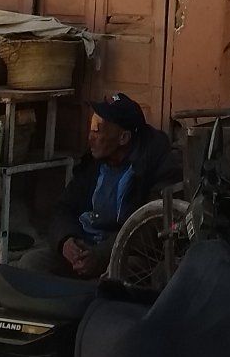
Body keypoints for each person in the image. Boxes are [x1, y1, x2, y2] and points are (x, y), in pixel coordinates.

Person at [17, 92, 176, 277]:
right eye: (91, 128)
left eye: (97, 130)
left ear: (123, 138)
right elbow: (64, 207)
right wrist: (66, 241)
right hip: (85, 245)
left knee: (122, 276)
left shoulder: (154, 164)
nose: (90, 137)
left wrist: (101, 255)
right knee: (31, 264)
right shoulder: (94, 162)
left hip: (122, 253)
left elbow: (151, 226)